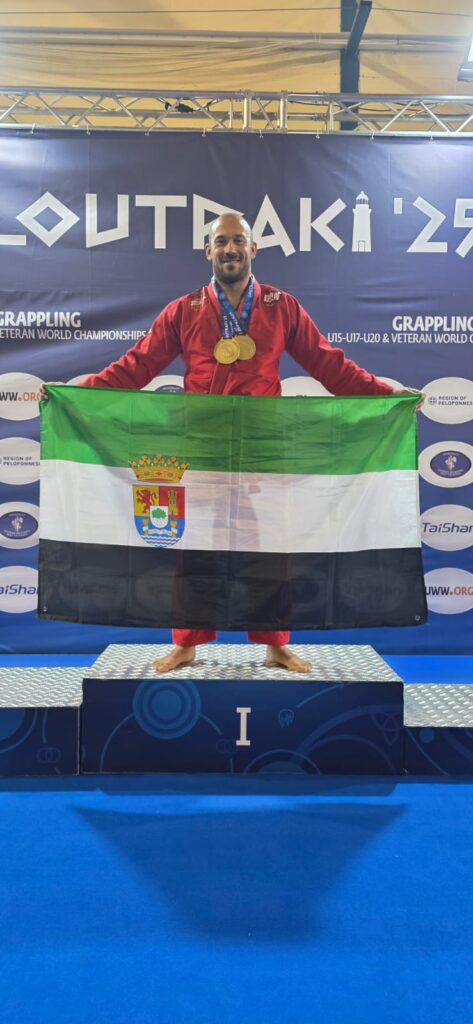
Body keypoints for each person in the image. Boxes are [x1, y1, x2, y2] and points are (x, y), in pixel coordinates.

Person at [43, 212, 420, 674]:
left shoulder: (282, 307)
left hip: (265, 450)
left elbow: (329, 364)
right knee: (194, 548)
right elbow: (136, 366)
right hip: (202, 450)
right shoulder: (184, 310)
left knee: (270, 549)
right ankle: (186, 643)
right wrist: (74, 393)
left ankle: (275, 644)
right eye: (221, 241)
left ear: (252, 249)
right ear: (209, 251)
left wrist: (387, 395)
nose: (230, 249)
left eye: (238, 240)